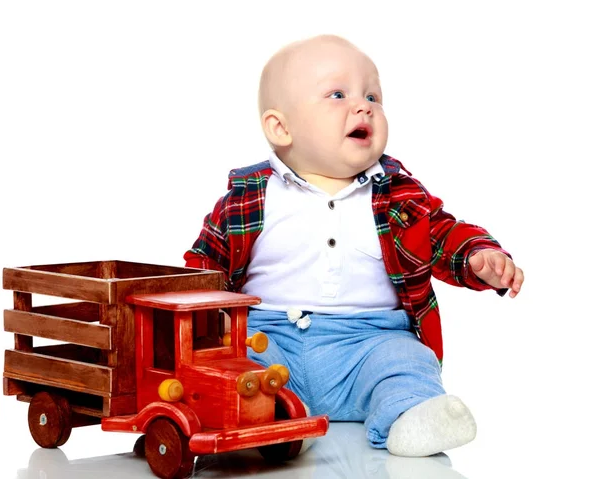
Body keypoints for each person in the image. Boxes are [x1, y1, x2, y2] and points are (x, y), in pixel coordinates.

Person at [183, 34, 524, 457]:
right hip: (267, 338)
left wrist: (477, 257)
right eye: (338, 94)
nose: (363, 106)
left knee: (407, 363)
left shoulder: (399, 196)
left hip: (369, 343)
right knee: (230, 362)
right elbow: (200, 270)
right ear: (280, 127)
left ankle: (411, 414)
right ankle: (274, 420)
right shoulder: (249, 196)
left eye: (372, 96)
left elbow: (443, 234)